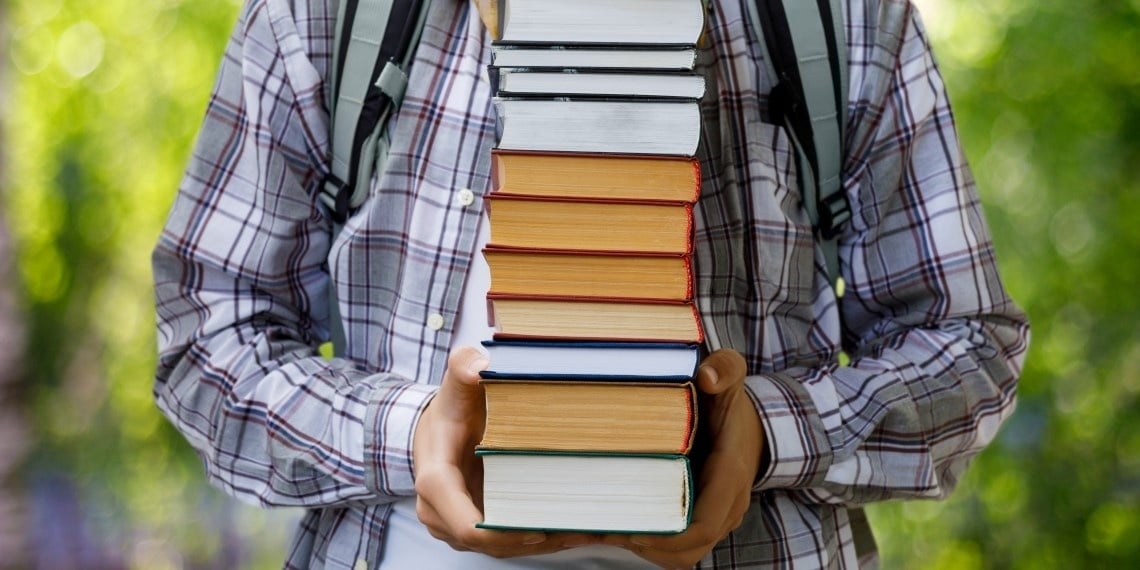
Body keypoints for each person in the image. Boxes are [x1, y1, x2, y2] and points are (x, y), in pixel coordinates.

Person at [151, 0, 1030, 567]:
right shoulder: (325, 18)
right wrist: (405, 436)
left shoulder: (838, 22)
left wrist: (773, 430)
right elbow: (207, 333)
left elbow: (967, 343)